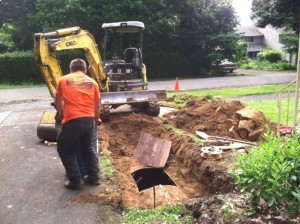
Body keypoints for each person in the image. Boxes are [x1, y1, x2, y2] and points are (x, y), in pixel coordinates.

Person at [55, 58, 101, 189]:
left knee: (64, 148)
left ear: (71, 69)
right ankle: (94, 177)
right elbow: (97, 105)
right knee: (88, 148)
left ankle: (75, 180)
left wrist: (62, 113)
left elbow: (58, 99)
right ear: (85, 71)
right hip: (89, 121)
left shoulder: (63, 80)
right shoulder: (93, 83)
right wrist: (97, 119)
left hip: (73, 120)